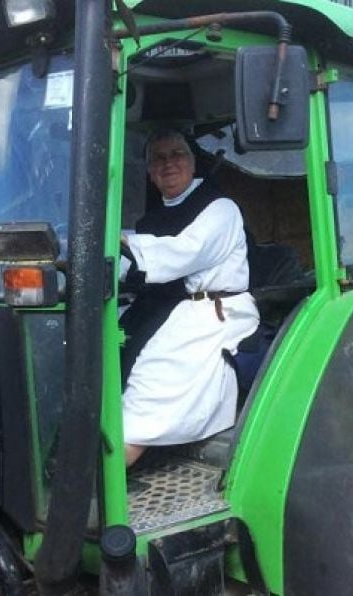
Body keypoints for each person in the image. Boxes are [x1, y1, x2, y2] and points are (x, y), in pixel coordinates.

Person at [119, 129, 259, 466]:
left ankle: (110, 472)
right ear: (150, 173)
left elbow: (182, 253)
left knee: (152, 380)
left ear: (193, 162)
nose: (168, 164)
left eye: (177, 155)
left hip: (213, 310)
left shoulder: (220, 209)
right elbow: (131, 268)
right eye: (158, 159)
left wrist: (118, 242)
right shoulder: (151, 219)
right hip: (170, 309)